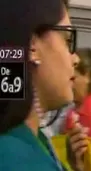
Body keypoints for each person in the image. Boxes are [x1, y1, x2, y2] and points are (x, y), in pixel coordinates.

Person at [0, 0, 79, 170]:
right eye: (67, 40)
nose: (76, 59)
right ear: (32, 46)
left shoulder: (32, 140)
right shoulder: (16, 160)